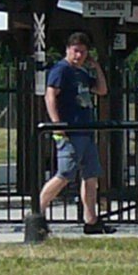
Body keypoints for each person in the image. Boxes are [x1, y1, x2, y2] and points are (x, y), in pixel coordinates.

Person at [40, 32, 111, 234]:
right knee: (64, 175)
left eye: (83, 52)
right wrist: (56, 123)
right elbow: (50, 95)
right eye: (76, 51)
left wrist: (95, 66)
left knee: (91, 177)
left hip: (86, 131)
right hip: (69, 132)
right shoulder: (61, 70)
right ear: (68, 50)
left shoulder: (81, 73)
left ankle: (91, 220)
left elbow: (102, 90)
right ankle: (37, 213)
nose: (79, 55)